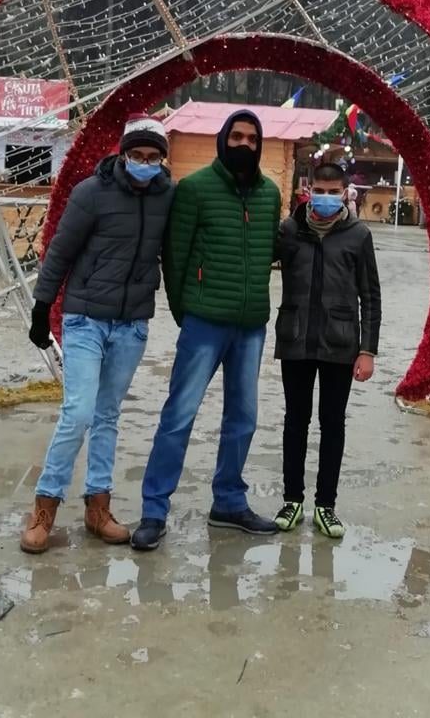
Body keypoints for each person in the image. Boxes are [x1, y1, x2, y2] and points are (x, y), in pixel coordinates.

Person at [20, 115, 174, 554]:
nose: (144, 163)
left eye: (153, 157)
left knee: (107, 415)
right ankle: (45, 506)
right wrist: (41, 307)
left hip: (131, 324)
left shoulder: (167, 196)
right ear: (123, 155)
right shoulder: (92, 192)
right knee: (79, 411)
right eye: (137, 154)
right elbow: (60, 251)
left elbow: (175, 253)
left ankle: (98, 506)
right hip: (86, 318)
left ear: (162, 160)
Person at [131, 109, 281, 550]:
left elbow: (271, 251)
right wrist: (188, 311)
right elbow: (175, 258)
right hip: (203, 323)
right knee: (179, 416)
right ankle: (154, 510)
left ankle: (229, 502)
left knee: (244, 418)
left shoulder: (270, 195)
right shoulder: (194, 189)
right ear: (222, 139)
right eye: (236, 136)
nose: (244, 144)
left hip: (250, 326)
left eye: (252, 139)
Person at [273, 163, 381, 538]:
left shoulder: (358, 235)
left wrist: (367, 350)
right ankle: (292, 500)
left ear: (345, 193)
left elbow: (370, 295)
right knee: (295, 421)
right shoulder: (289, 230)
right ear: (309, 190)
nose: (326, 197)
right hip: (296, 339)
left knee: (332, 423)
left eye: (334, 192)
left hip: (340, 343)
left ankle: (326, 505)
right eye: (320, 190)